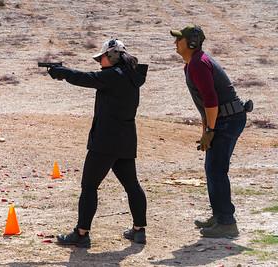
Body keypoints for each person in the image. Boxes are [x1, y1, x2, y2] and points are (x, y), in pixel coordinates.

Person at [46, 39, 149, 247]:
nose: (99, 62)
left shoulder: (114, 76)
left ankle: (81, 234)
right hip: (126, 140)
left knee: (89, 186)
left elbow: (86, 78)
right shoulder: (130, 76)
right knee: (132, 185)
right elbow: (92, 77)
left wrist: (63, 72)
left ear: (111, 56)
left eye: (101, 58)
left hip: (105, 141)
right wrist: (65, 72)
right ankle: (139, 230)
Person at [170, 25, 252, 238]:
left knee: (216, 169)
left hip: (228, 120)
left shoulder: (198, 64)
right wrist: (206, 130)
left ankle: (226, 222)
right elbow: (204, 104)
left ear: (192, 43)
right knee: (212, 169)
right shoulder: (192, 65)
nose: (175, 43)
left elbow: (211, 100)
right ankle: (219, 217)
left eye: (179, 39)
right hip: (224, 119)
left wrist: (212, 130)